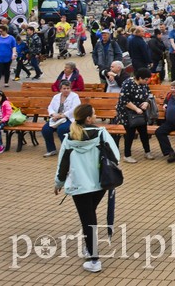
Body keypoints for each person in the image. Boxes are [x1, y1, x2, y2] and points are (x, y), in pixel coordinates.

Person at [53, 104, 121, 273]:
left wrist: (59, 183)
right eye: (94, 113)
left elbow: (63, 164)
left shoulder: (69, 138)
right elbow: (115, 156)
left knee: (88, 220)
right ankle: (90, 251)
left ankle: (94, 258)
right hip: (100, 183)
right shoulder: (101, 133)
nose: (96, 115)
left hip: (79, 185)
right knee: (90, 217)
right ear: (89, 119)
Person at [116, 68, 153, 164]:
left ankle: (147, 152)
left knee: (144, 133)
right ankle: (127, 155)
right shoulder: (128, 83)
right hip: (127, 114)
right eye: (145, 79)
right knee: (130, 134)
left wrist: (146, 102)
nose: (147, 81)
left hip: (141, 113)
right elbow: (124, 100)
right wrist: (136, 109)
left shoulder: (144, 84)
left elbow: (149, 94)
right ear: (139, 78)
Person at [42, 80, 81, 157]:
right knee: (46, 129)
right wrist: (53, 114)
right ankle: (51, 149)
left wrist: (63, 115)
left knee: (62, 129)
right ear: (60, 89)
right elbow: (50, 107)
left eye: (68, 88)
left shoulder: (74, 96)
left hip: (69, 118)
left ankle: (66, 149)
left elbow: (75, 108)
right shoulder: (56, 97)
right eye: (64, 88)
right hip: (56, 118)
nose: (66, 90)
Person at [155, 80, 175, 163]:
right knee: (159, 132)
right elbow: (166, 101)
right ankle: (170, 152)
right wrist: (165, 104)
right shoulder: (169, 95)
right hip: (170, 122)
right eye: (172, 88)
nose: (173, 90)